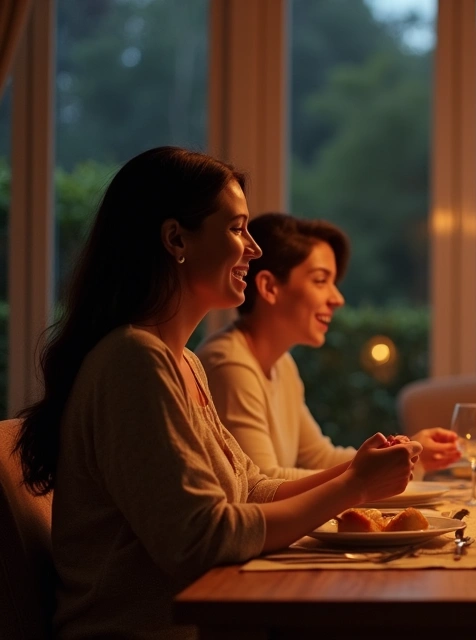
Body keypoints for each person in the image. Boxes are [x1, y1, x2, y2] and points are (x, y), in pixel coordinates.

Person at [15, 147, 421, 639]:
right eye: (237, 228)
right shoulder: (132, 361)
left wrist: (358, 470)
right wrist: (354, 487)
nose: (254, 248)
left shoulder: (182, 362)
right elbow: (201, 541)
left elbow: (252, 489)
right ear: (175, 239)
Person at [197, 213, 460, 479]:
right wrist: (375, 471)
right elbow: (262, 485)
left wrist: (404, 456)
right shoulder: (230, 364)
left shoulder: (281, 364)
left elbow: (320, 458)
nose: (337, 298)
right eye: (321, 280)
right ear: (269, 287)